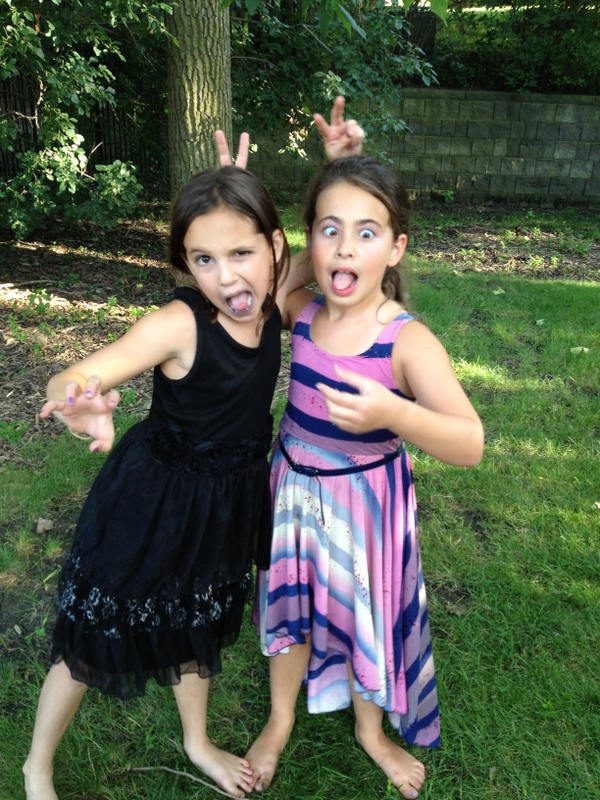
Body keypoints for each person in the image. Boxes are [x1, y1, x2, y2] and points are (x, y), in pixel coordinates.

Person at [22, 102, 364, 800]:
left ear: (275, 249)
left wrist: (342, 170)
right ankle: (37, 766)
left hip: (229, 497)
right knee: (95, 629)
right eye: (203, 259)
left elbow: (337, 245)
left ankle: (198, 741)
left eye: (241, 253)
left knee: (197, 615)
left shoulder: (276, 295)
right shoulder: (179, 322)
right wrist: (78, 399)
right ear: (185, 263)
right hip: (156, 498)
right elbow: (77, 375)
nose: (226, 277)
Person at [246, 155, 485, 799]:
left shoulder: (406, 341)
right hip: (293, 497)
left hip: (364, 511)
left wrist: (394, 412)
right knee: (291, 605)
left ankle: (370, 730)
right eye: (330, 230)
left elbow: (469, 442)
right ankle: (280, 718)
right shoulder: (303, 311)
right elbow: (271, 284)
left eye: (367, 233)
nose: (345, 248)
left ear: (397, 248)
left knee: (362, 617)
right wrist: (328, 197)